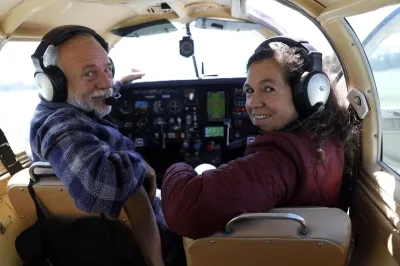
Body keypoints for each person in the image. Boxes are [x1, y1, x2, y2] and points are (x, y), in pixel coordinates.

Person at [161, 36, 360, 239]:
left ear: (308, 94)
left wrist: (178, 167)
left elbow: (183, 210)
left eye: (268, 89)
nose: (252, 103)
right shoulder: (327, 139)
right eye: (249, 90)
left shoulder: (279, 160)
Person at [29, 25, 183, 266]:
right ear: (52, 84)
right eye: (89, 73)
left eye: (108, 69)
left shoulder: (78, 106)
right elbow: (98, 188)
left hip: (112, 241)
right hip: (153, 247)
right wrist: (141, 165)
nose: (106, 82)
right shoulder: (60, 126)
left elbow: (103, 90)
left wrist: (120, 81)